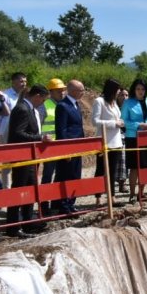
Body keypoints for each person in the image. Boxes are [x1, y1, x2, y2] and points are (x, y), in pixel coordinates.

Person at [6, 84, 51, 237]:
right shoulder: (23, 109)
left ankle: (27, 222)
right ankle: (13, 226)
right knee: (19, 189)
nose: (42, 103)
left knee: (30, 188)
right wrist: (40, 138)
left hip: (29, 156)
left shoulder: (28, 108)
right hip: (22, 156)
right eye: (43, 100)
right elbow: (18, 133)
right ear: (37, 96)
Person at [122, 78, 147, 202]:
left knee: (146, 166)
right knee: (134, 167)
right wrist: (139, 125)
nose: (140, 91)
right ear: (134, 90)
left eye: (143, 89)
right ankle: (132, 194)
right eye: (138, 89)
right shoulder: (128, 102)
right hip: (133, 137)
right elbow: (124, 121)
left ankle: (141, 193)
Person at [52, 79, 86, 215]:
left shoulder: (76, 104)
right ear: (72, 91)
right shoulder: (63, 106)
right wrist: (65, 151)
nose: (83, 92)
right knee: (66, 175)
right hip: (68, 148)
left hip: (77, 147)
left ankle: (71, 203)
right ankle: (63, 205)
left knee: (75, 175)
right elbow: (61, 130)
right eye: (81, 90)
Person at [91, 79, 125, 202]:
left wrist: (121, 122)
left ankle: (112, 196)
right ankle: (98, 196)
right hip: (104, 142)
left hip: (116, 142)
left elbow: (117, 117)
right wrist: (114, 123)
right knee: (100, 169)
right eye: (117, 90)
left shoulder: (114, 103)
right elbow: (95, 121)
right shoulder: (99, 101)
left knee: (112, 170)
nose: (119, 92)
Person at [0, 72, 26, 189]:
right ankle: (6, 189)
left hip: (20, 132)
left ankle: (19, 187)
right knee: (7, 162)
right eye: (21, 81)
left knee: (21, 161)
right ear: (13, 82)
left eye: (25, 81)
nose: (24, 84)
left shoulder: (24, 96)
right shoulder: (5, 96)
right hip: (6, 133)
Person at [40, 78, 65, 185]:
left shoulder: (64, 105)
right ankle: (45, 195)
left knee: (62, 173)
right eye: (58, 91)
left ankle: (56, 195)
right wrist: (42, 138)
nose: (62, 93)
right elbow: (38, 125)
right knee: (48, 173)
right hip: (49, 145)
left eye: (63, 90)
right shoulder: (44, 105)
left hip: (62, 143)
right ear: (51, 92)